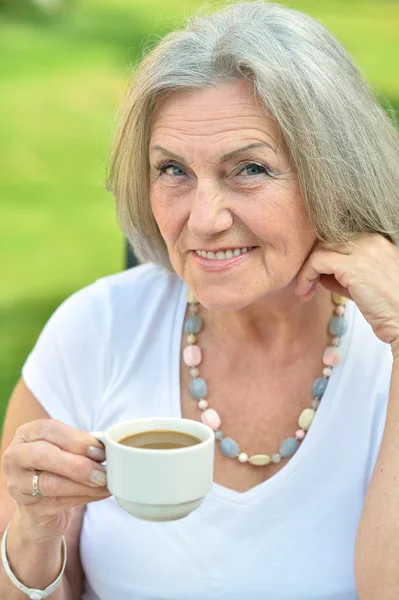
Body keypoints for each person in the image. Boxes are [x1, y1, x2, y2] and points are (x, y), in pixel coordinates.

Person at [1, 2, 399, 599]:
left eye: (249, 169)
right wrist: (35, 532)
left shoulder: (384, 346)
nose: (203, 219)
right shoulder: (96, 330)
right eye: (173, 170)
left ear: (334, 177)